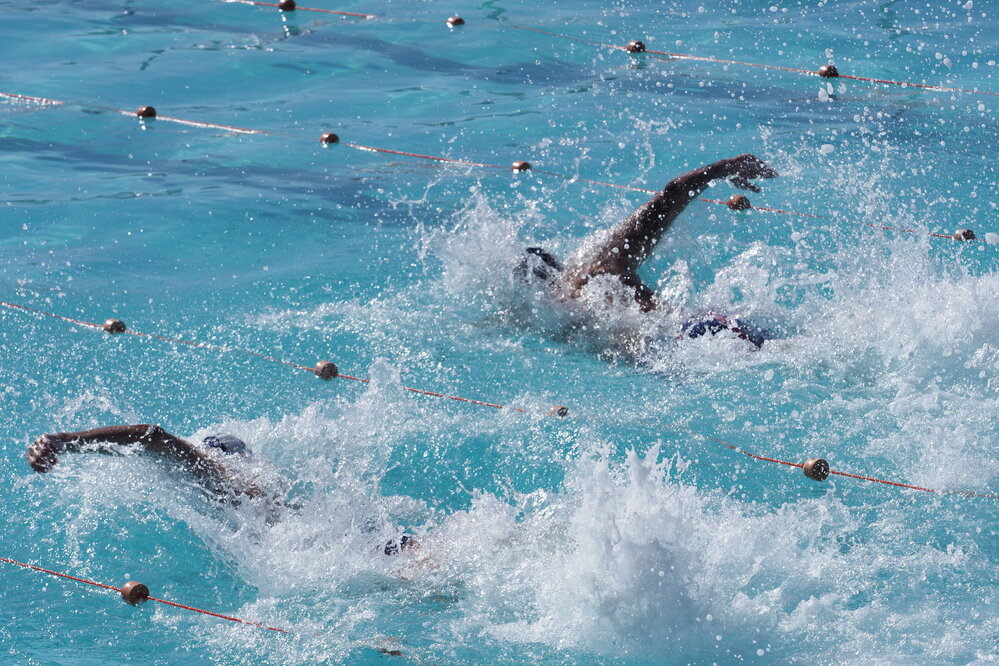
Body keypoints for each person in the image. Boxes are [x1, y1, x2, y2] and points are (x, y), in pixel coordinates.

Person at [26, 424, 418, 554]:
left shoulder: (230, 484)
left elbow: (152, 436)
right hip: (314, 536)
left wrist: (65, 441)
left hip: (303, 545)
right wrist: (65, 441)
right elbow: (152, 437)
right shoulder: (238, 480)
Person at [519, 154, 778, 348]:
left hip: (688, 339)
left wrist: (723, 168)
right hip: (700, 331)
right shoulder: (590, 278)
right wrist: (722, 168)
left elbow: (668, 198)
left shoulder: (590, 280)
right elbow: (668, 198)